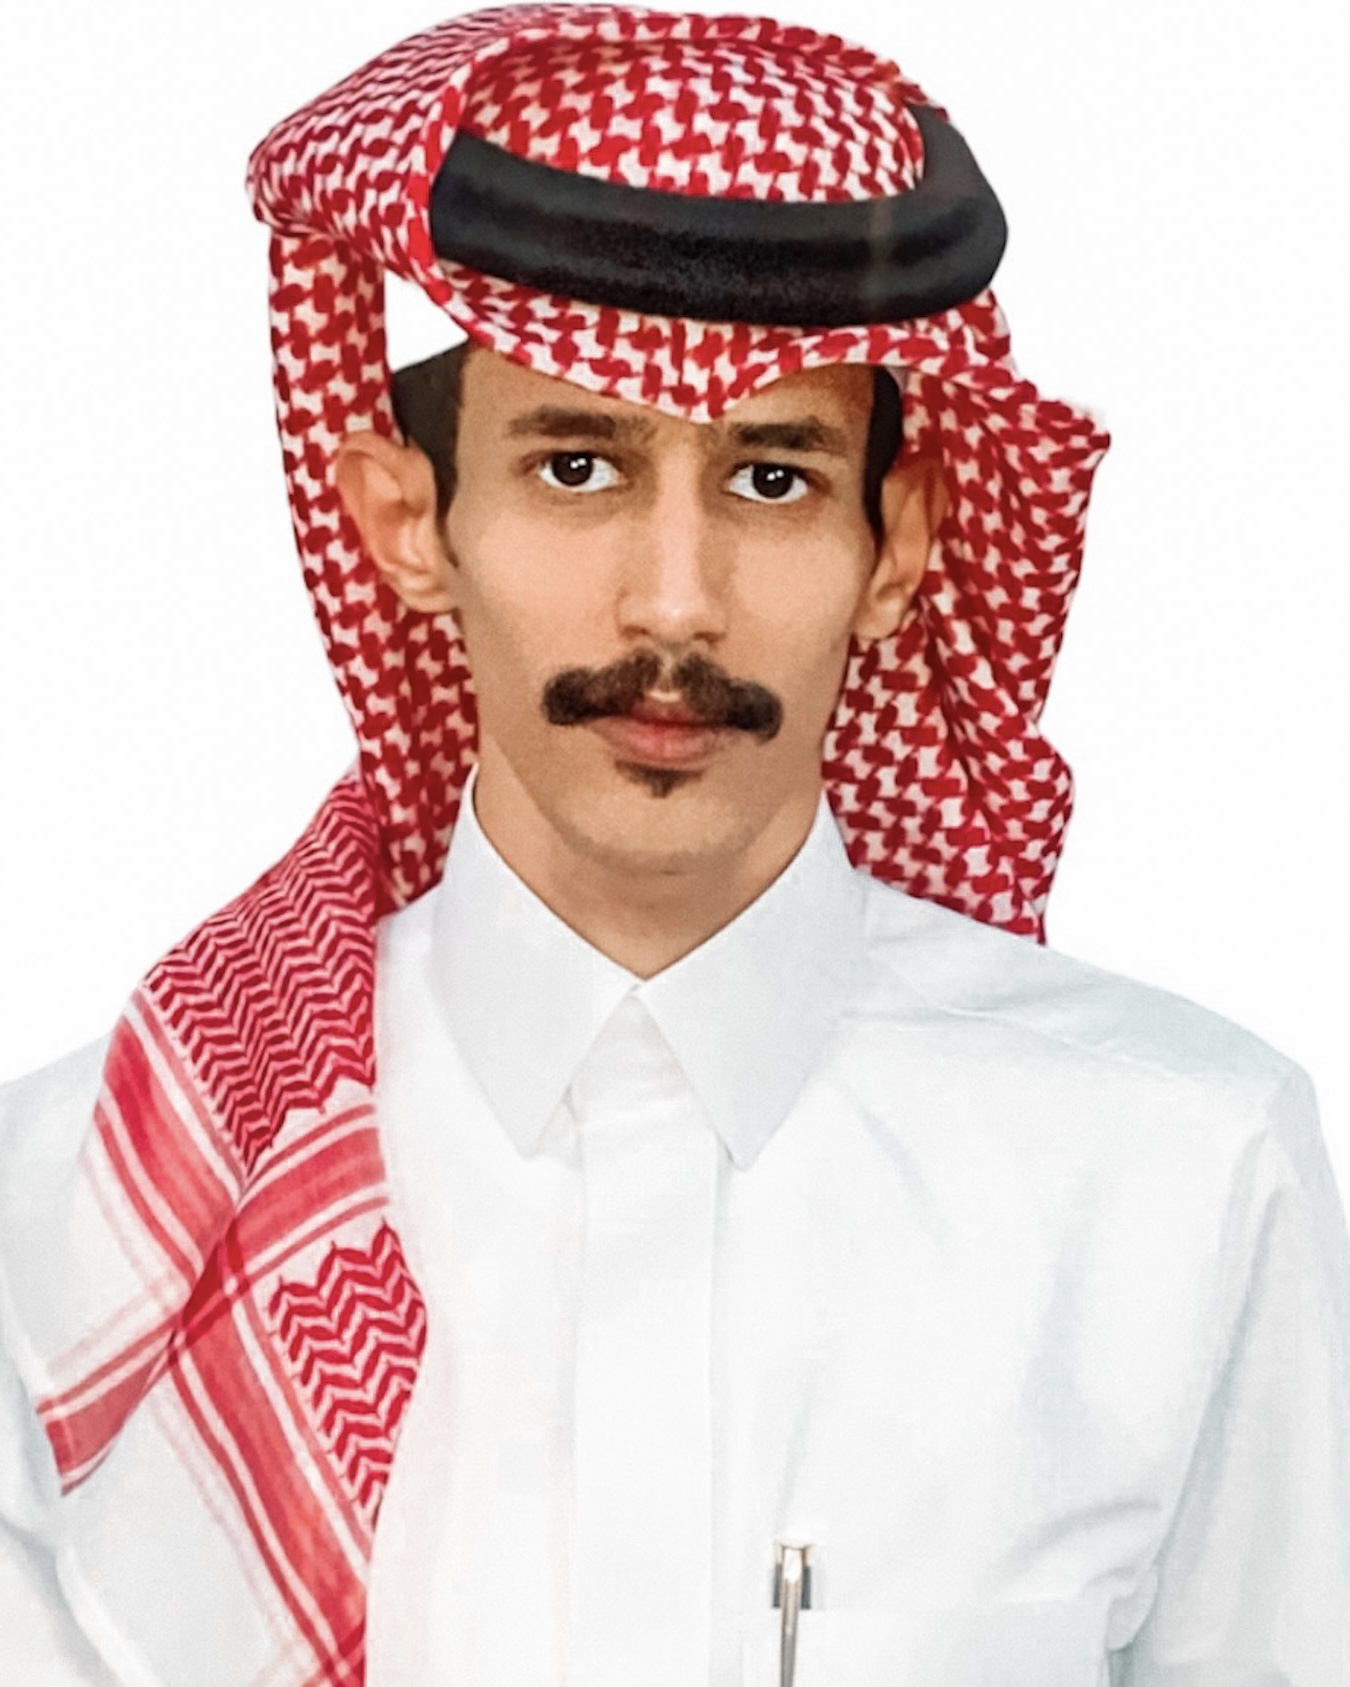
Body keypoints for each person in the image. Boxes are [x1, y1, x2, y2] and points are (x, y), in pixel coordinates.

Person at [1, 6, 1347, 1686]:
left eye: (772, 480)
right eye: (577, 465)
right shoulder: (81, 1219)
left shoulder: (1174, 1177)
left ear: (895, 547)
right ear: (407, 524)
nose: (674, 604)